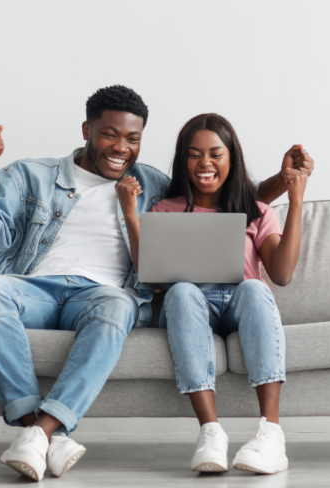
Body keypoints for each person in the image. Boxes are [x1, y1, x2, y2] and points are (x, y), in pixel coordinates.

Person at [0, 86, 308, 481]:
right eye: (109, 134)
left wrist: (287, 181)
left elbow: (226, 196)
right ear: (87, 129)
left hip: (103, 296)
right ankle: (41, 431)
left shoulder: (149, 183)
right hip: (37, 287)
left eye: (133, 139)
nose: (121, 147)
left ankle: (41, 435)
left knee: (122, 304)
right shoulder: (31, 175)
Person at [116, 113, 311, 475]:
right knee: (181, 291)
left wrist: (296, 201)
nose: (204, 163)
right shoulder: (165, 210)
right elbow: (154, 281)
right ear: (183, 161)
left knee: (254, 287)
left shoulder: (256, 211)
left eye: (215, 154)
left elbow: (281, 275)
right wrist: (131, 213)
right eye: (194, 154)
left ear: (231, 159)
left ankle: (271, 433)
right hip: (192, 307)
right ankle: (210, 431)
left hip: (242, 305)